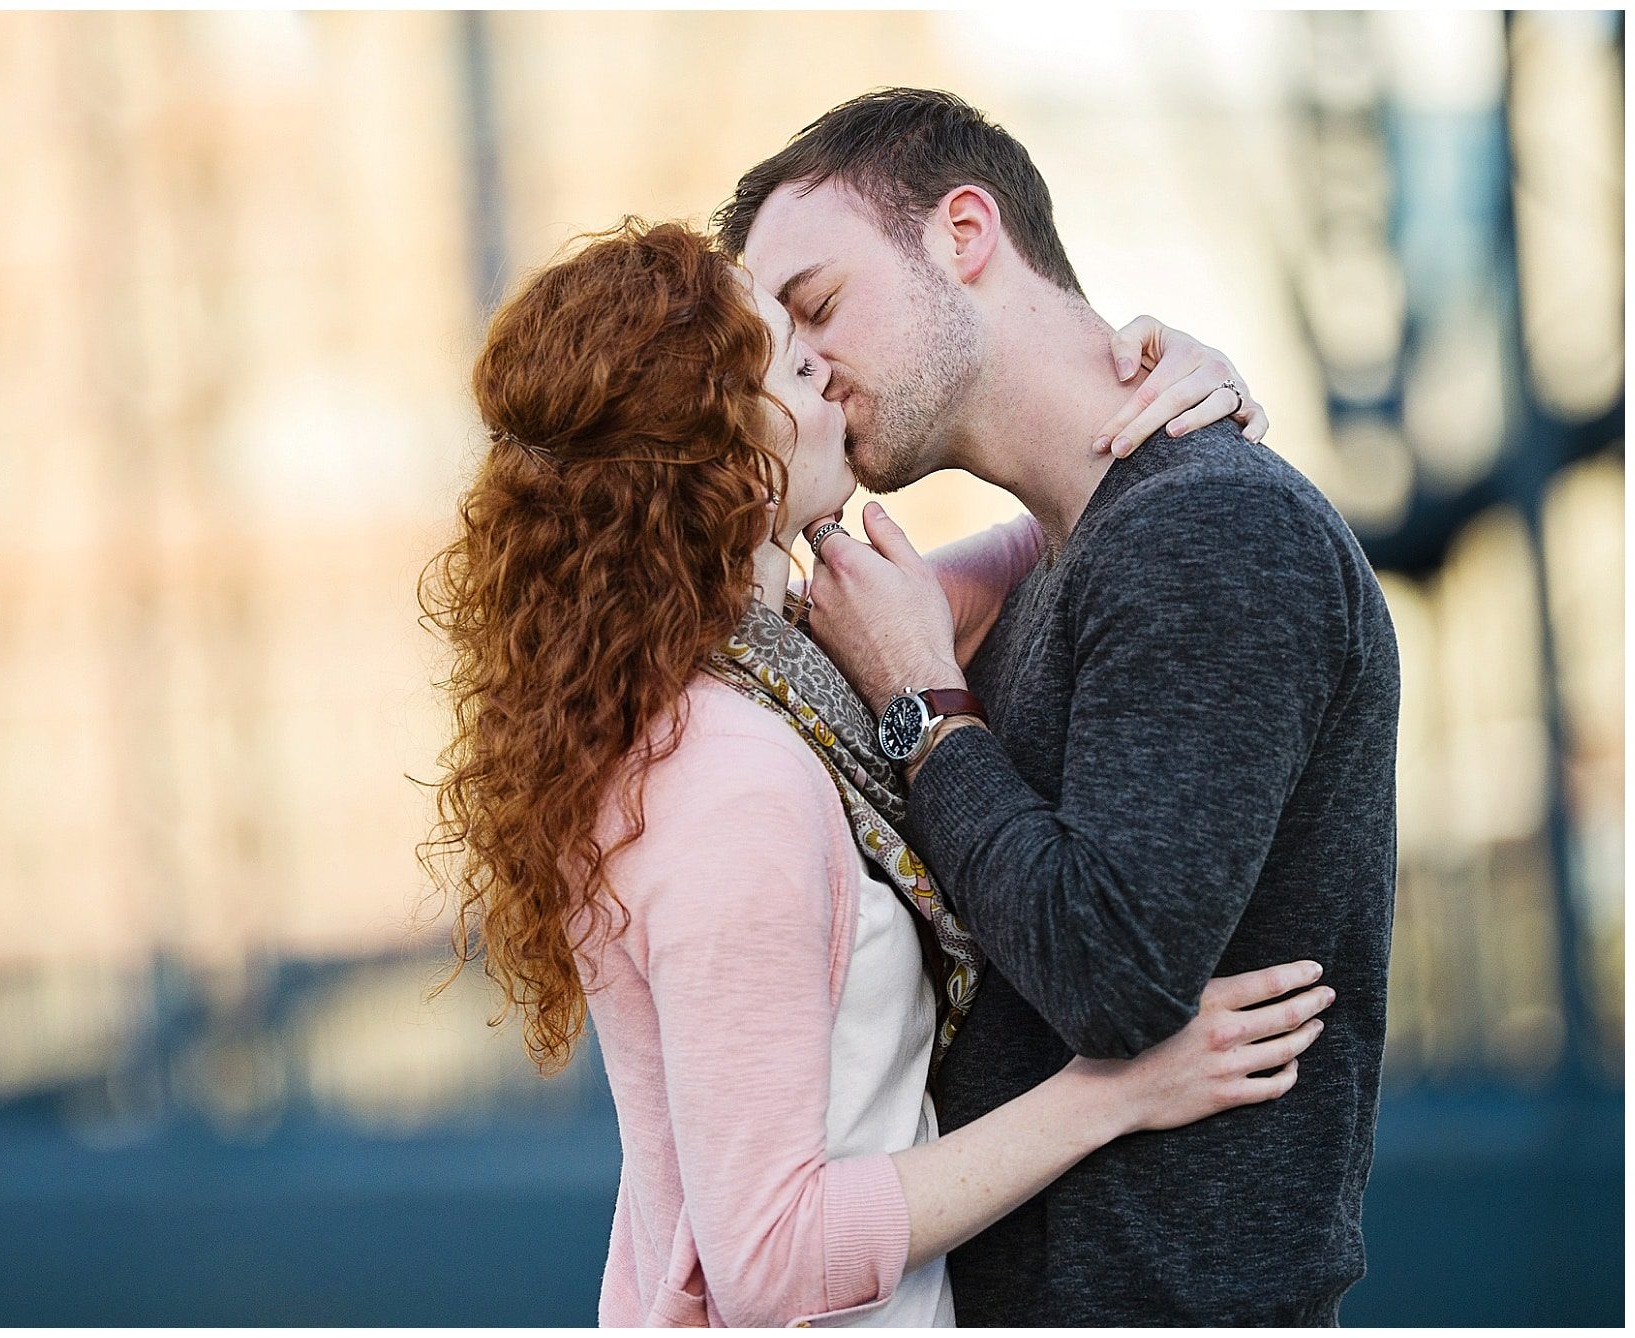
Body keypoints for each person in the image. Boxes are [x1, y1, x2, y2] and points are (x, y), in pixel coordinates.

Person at [422, 217, 1336, 1327]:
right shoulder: (728, 777)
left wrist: (1170, 398)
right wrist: (1112, 1094)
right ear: (724, 454)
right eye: (800, 367)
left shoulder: (769, 677)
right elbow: (767, 1260)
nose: (835, 383)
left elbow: (1067, 534)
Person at [717, 88, 1401, 1325]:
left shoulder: (1211, 528)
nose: (803, 366)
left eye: (815, 307)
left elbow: (1112, 975)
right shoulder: (1073, 552)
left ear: (962, 233)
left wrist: (923, 703)